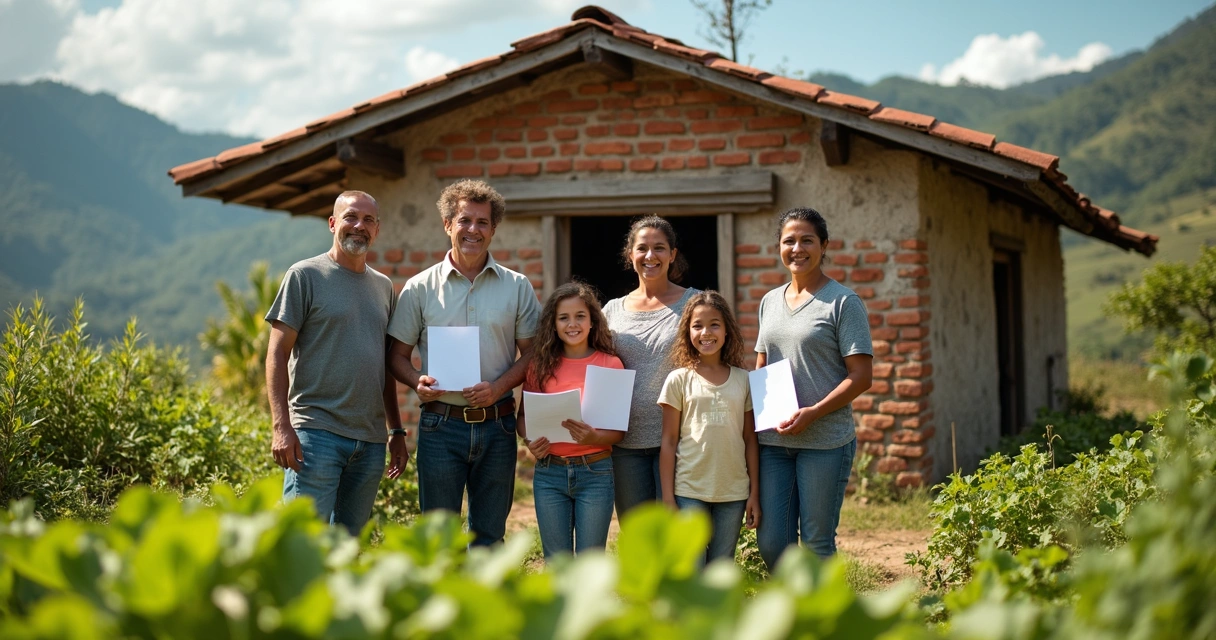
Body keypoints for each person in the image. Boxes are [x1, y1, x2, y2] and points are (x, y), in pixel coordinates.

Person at [387, 179, 541, 547]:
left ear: (494, 229)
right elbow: (396, 356)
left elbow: (534, 353)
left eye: (483, 223)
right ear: (447, 225)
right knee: (438, 540)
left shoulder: (517, 286)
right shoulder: (419, 288)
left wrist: (499, 388)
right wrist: (415, 380)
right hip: (441, 427)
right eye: (464, 221)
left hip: (499, 425)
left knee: (489, 537)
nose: (474, 230)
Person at [265, 190, 408, 536]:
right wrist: (281, 426)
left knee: (347, 547)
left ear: (377, 230)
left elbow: (384, 366)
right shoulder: (304, 276)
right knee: (305, 543)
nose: (359, 226)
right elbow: (276, 354)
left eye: (368, 220)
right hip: (316, 435)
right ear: (333, 224)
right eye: (350, 217)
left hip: (370, 443)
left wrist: (396, 431)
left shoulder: (384, 287)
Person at [754, 207, 873, 570]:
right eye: (789, 240)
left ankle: (823, 623)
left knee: (817, 542)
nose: (797, 248)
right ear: (779, 246)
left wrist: (814, 413)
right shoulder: (769, 301)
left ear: (824, 246)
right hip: (774, 444)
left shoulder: (843, 302)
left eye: (807, 240)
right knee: (773, 542)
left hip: (825, 441)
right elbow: (762, 363)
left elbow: (861, 376)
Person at [518, 282, 625, 558]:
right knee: (557, 562)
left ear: (592, 321)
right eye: (563, 318)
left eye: (580, 316)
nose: (572, 324)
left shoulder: (610, 364)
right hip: (549, 472)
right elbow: (523, 418)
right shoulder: (539, 365)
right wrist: (530, 441)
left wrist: (595, 438)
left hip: (596, 473)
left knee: (590, 561)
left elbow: (618, 431)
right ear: (553, 324)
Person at [604, 215, 700, 517]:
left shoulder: (695, 304)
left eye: (659, 248)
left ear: (672, 255)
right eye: (642, 248)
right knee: (637, 536)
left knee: (678, 539)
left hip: (681, 441)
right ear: (630, 254)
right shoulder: (611, 311)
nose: (650, 256)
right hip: (625, 444)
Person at [658, 290, 760, 565]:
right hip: (689, 490)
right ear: (687, 332)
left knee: (721, 567)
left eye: (714, 324)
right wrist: (668, 497)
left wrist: (754, 494)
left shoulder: (744, 380)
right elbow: (668, 441)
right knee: (691, 567)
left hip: (733, 492)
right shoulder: (678, 380)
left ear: (727, 331)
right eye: (697, 325)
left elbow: (750, 440)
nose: (706, 332)